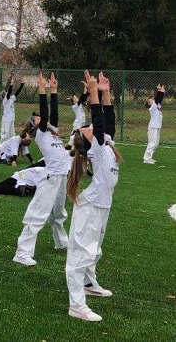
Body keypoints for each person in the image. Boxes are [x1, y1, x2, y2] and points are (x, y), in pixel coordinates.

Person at [65, 71, 122, 322]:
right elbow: (98, 123)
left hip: (102, 204)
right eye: (87, 129)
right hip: (91, 207)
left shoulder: (104, 143)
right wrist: (93, 93)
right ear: (88, 143)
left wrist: (106, 92)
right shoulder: (97, 148)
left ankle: (89, 283)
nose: (90, 128)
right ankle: (76, 305)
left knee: (95, 250)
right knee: (80, 254)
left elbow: (107, 123)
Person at [13, 72, 71, 266]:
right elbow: (46, 115)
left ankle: (61, 242)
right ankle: (22, 253)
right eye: (36, 118)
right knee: (37, 214)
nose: (40, 118)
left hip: (62, 176)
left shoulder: (52, 132)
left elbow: (53, 114)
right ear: (35, 125)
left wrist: (54, 90)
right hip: (50, 177)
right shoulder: (41, 134)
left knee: (59, 213)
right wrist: (42, 90)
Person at [143, 83, 165, 164]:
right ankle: (146, 159)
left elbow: (160, 99)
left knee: (156, 143)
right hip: (153, 127)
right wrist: (159, 90)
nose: (151, 100)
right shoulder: (152, 108)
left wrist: (162, 91)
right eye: (149, 101)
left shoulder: (157, 106)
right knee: (152, 143)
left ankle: (150, 157)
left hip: (157, 127)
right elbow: (158, 98)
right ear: (149, 104)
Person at [0, 74, 24, 144]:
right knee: (5, 135)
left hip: (11, 119)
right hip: (6, 120)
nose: (8, 93)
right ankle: (1, 147)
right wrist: (11, 84)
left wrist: (22, 84)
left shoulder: (11, 98)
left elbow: (17, 92)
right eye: (6, 93)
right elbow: (9, 92)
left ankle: (11, 146)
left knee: (12, 134)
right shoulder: (5, 100)